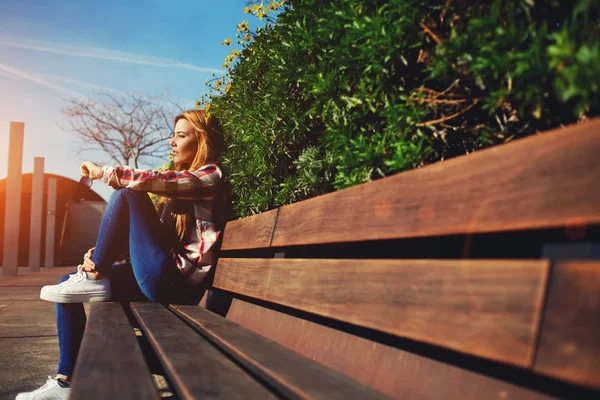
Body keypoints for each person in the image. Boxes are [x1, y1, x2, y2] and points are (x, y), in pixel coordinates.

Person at [16, 109, 227, 400]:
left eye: (181, 135)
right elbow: (150, 244)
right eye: (173, 135)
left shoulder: (208, 177)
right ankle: (66, 382)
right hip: (162, 276)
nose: (172, 142)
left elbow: (148, 182)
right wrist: (102, 252)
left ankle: (93, 273)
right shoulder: (178, 193)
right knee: (66, 285)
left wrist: (103, 173)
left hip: (174, 283)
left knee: (128, 192)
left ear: (200, 139)